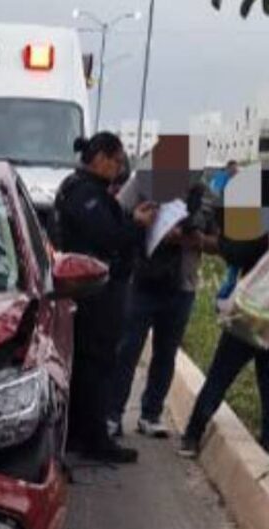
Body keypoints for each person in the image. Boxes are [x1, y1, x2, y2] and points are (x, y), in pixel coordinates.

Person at [180, 166, 269, 457]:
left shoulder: (261, 225)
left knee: (219, 377)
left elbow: (233, 253)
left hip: (249, 317)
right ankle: (268, 447)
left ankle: (192, 438)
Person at [55, 133, 158, 464]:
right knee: (96, 366)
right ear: (99, 158)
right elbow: (107, 238)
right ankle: (94, 440)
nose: (119, 168)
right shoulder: (85, 194)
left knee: (88, 366)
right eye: (117, 160)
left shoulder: (83, 189)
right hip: (95, 295)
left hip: (88, 291)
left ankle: (80, 434)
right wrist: (138, 225)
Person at [108, 169, 220, 439]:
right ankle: (111, 415)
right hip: (141, 281)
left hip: (181, 286)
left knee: (166, 353)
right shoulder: (144, 181)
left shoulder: (205, 196)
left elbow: (220, 243)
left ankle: (151, 414)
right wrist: (142, 223)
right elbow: (114, 217)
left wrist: (194, 240)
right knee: (126, 350)